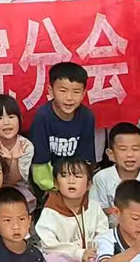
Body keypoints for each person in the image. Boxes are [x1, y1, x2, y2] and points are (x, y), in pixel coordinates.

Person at [35, 157, 107, 262]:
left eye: (77, 176)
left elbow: (103, 235)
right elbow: (49, 245)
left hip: (91, 261)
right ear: (56, 183)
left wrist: (93, 253)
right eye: (64, 176)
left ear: (89, 184)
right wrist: (78, 253)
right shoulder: (50, 211)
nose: (71, 181)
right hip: (67, 261)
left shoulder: (94, 207)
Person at [29, 61, 96, 192]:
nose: (69, 98)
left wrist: (78, 185)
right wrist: (54, 187)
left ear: (84, 93)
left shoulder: (87, 116)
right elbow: (40, 164)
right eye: (63, 91)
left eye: (76, 92)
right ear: (51, 91)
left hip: (76, 181)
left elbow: (86, 159)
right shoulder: (43, 117)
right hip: (48, 184)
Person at [93, 122, 140, 214]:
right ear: (111, 154)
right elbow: (96, 211)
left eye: (135, 149)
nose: (130, 154)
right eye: (123, 149)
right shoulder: (101, 178)